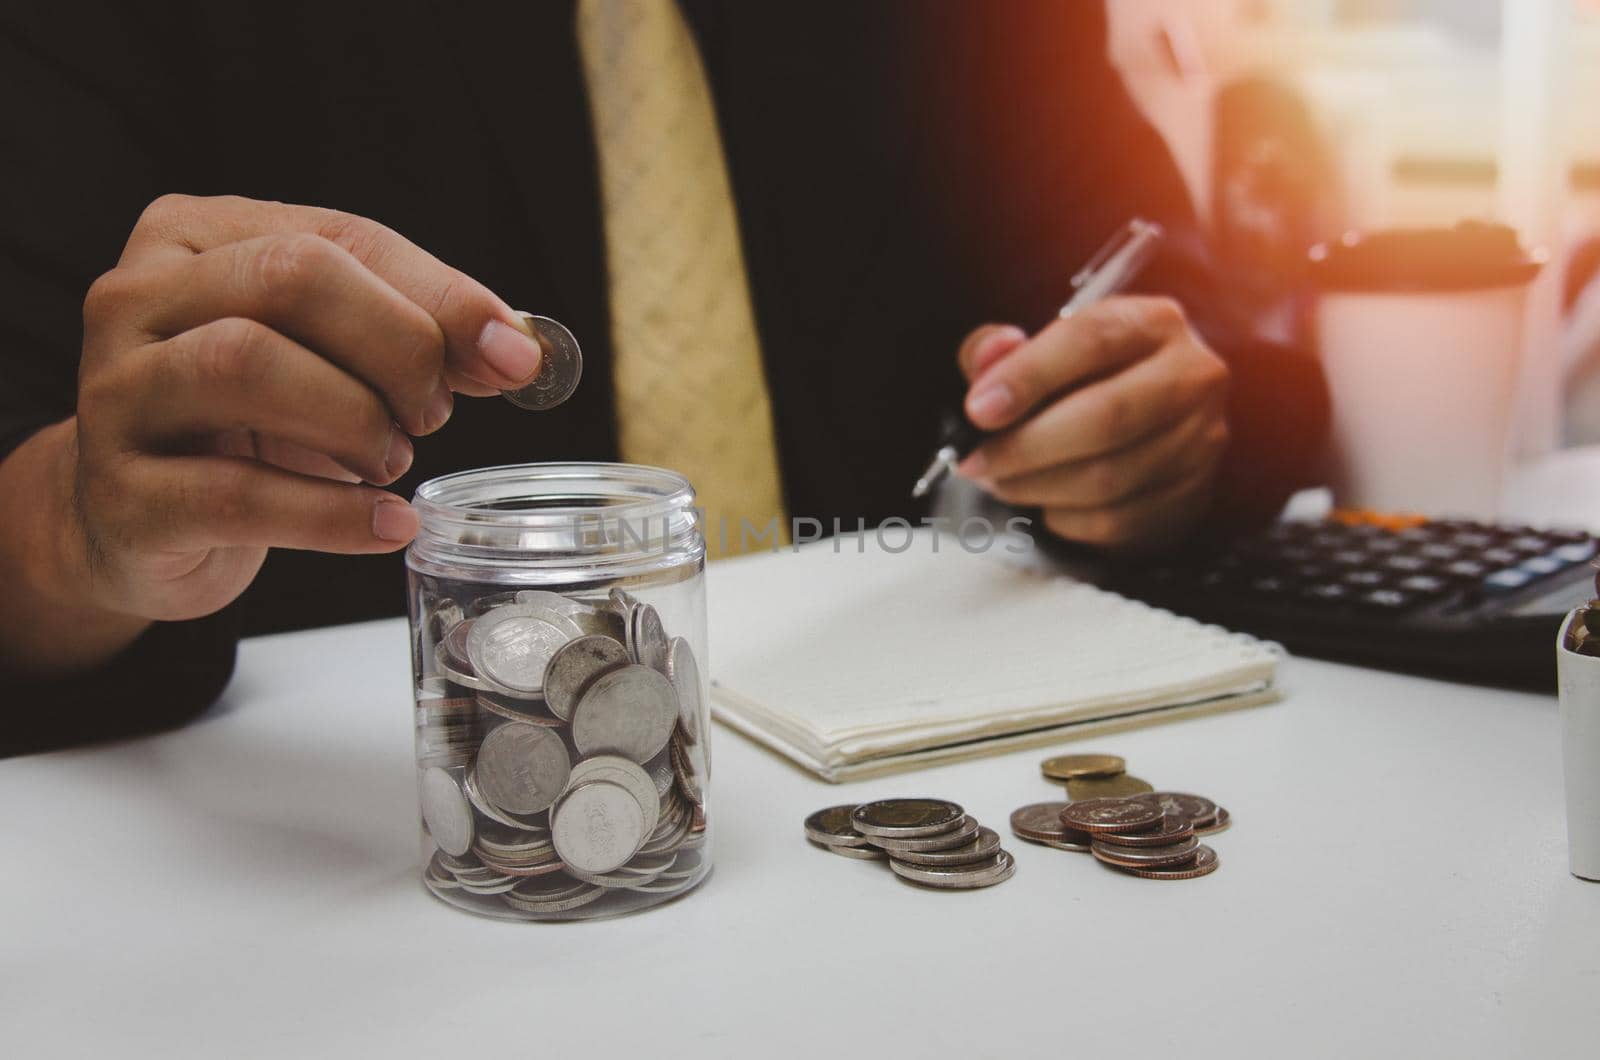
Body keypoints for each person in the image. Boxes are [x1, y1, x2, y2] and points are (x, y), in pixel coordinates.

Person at [0, 1, 1327, 755]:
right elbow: (32, 496)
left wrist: (1160, 431)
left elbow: (1174, 301)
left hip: (916, 744)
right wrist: (74, 533)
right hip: (339, 838)